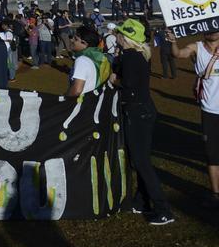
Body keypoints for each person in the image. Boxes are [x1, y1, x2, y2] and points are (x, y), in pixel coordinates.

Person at [111, 19, 173, 225]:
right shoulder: (139, 55)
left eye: (119, 33)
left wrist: (114, 78)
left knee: (141, 162)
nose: (116, 36)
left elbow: (127, 85)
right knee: (141, 158)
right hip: (144, 110)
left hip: (137, 112)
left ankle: (163, 209)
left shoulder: (129, 57)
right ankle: (142, 200)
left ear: (125, 38)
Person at [167, 27, 219, 208]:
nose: (213, 32)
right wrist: (173, 41)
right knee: (212, 154)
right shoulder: (196, 47)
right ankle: (215, 193)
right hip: (210, 109)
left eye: (216, 29)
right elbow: (179, 54)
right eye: (210, 29)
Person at [65, 26, 110, 97]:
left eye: (75, 39)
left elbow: (77, 91)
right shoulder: (99, 57)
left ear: (84, 43)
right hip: (93, 101)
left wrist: (64, 99)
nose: (72, 40)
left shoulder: (82, 60)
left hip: (80, 103)